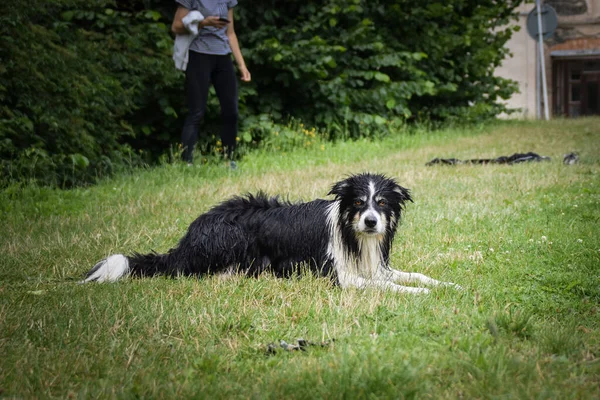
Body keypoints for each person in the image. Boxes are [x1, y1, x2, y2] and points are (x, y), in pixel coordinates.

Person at [171, 0, 251, 167]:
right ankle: (187, 162)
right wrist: (203, 23)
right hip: (198, 55)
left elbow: (231, 33)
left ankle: (229, 161)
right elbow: (176, 27)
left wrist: (242, 65)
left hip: (223, 56)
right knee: (196, 111)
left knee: (231, 111)